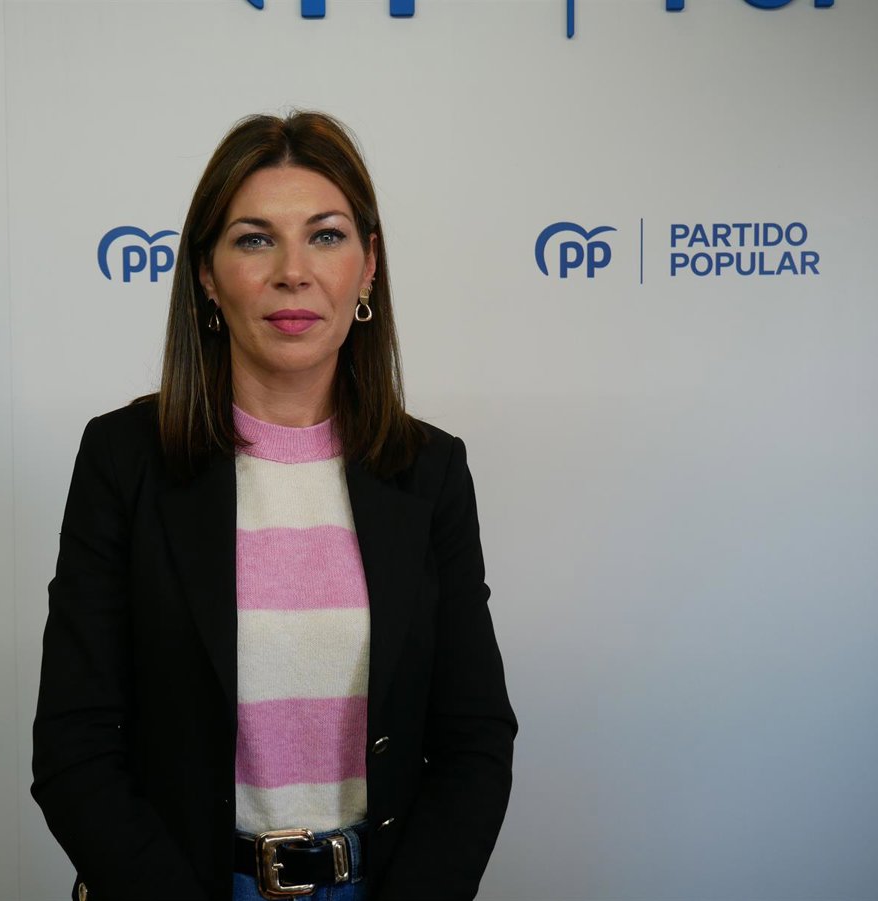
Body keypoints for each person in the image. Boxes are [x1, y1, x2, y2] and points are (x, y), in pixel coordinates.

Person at [31, 109, 517, 901]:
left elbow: (475, 740)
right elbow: (74, 747)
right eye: (255, 239)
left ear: (368, 266)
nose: (294, 271)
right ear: (206, 274)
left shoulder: (430, 471)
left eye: (325, 235)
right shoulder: (124, 460)